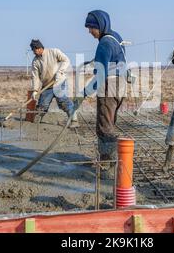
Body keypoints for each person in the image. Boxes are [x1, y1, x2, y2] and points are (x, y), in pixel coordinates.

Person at [83, 10, 127, 179]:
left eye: (91, 28)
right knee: (109, 121)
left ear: (100, 26)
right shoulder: (115, 36)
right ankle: (107, 160)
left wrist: (86, 91)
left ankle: (107, 166)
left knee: (104, 126)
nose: (89, 32)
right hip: (120, 85)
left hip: (109, 86)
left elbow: (100, 74)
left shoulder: (104, 44)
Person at [30, 39, 79, 128]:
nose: (34, 52)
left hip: (59, 83)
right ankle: (37, 120)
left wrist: (60, 72)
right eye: (33, 50)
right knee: (42, 105)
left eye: (35, 50)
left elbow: (66, 60)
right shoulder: (35, 61)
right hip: (46, 85)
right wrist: (35, 90)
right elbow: (35, 76)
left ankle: (74, 120)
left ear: (40, 48)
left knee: (63, 102)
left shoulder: (54, 52)